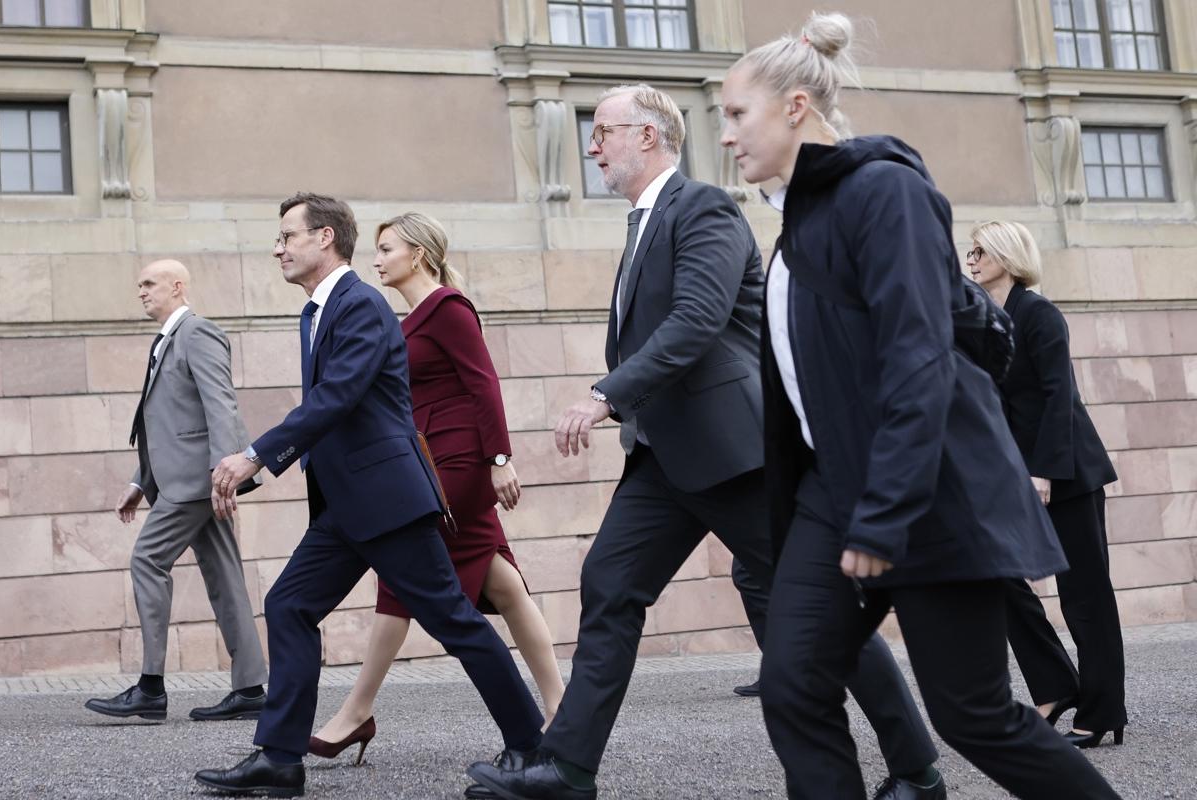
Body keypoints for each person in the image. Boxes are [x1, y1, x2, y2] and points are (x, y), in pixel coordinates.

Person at [468, 83, 943, 800]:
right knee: (610, 583)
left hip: (735, 455)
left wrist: (605, 394)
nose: (592, 146)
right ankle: (566, 767)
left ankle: (917, 770)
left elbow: (695, 321)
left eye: (603, 131)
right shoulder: (640, 225)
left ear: (650, 137)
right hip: (664, 458)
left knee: (821, 607)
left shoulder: (704, 208)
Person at [719, 12, 1121, 799]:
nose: (727, 135)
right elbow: (933, 334)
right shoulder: (798, 219)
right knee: (793, 686)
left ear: (796, 106)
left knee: (972, 716)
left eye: (737, 114)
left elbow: (919, 354)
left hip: (930, 497)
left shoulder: (886, 191)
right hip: (836, 495)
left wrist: (884, 512)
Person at [192, 193, 544, 798]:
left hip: (386, 498)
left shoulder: (360, 305)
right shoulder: (317, 311)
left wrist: (254, 456)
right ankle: (279, 759)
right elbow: (329, 412)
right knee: (290, 605)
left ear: (325, 238)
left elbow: (337, 397)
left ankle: (532, 746)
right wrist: (251, 470)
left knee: (454, 620)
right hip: (347, 505)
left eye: (288, 236)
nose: (278, 247)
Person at [310, 213, 564, 764]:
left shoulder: (448, 308)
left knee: (402, 578)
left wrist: (500, 459)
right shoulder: (407, 320)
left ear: (418, 255)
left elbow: (483, 382)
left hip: (460, 464)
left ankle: (356, 709)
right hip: (428, 462)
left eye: (385, 249)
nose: (375, 259)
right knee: (503, 584)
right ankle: (560, 710)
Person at [84, 258, 267, 724]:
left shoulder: (197, 333)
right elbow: (163, 424)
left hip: (195, 483)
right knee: (226, 579)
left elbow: (219, 404)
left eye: (149, 283)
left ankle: (149, 688)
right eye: (139, 284)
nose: (141, 291)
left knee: (147, 559)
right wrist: (139, 482)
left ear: (177, 286)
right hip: (186, 479)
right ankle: (250, 690)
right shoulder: (166, 339)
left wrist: (228, 471)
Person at [968, 220, 1127, 748]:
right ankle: (1056, 684)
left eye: (980, 251)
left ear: (1008, 258)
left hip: (1066, 474)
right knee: (1001, 579)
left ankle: (1104, 710)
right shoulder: (987, 319)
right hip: (1015, 477)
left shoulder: (1040, 315)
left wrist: (1044, 472)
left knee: (1084, 594)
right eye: (969, 251)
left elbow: (1061, 398)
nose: (970, 259)